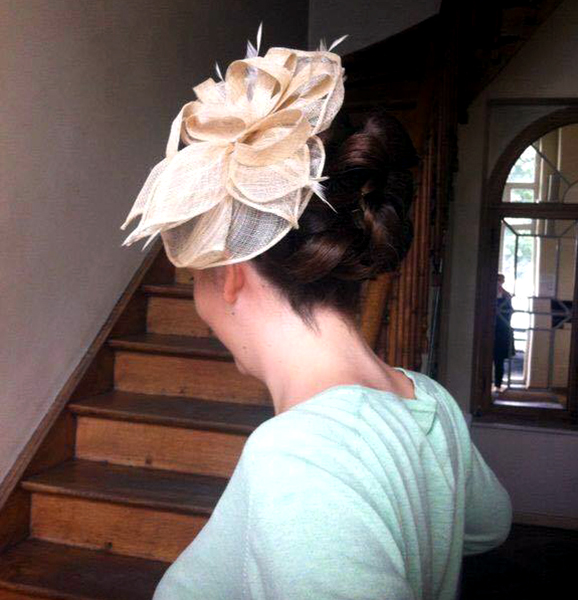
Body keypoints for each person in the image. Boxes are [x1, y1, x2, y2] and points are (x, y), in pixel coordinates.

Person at [121, 30, 512, 600]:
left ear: (232, 274)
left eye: (194, 274)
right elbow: (487, 524)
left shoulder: (302, 457)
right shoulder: (430, 403)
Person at [493, 274, 516, 392]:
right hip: (491, 330)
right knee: (488, 359)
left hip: (501, 331)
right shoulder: (489, 294)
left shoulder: (506, 295)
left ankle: (497, 384)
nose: (498, 283)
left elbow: (509, 312)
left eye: (500, 280)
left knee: (499, 360)